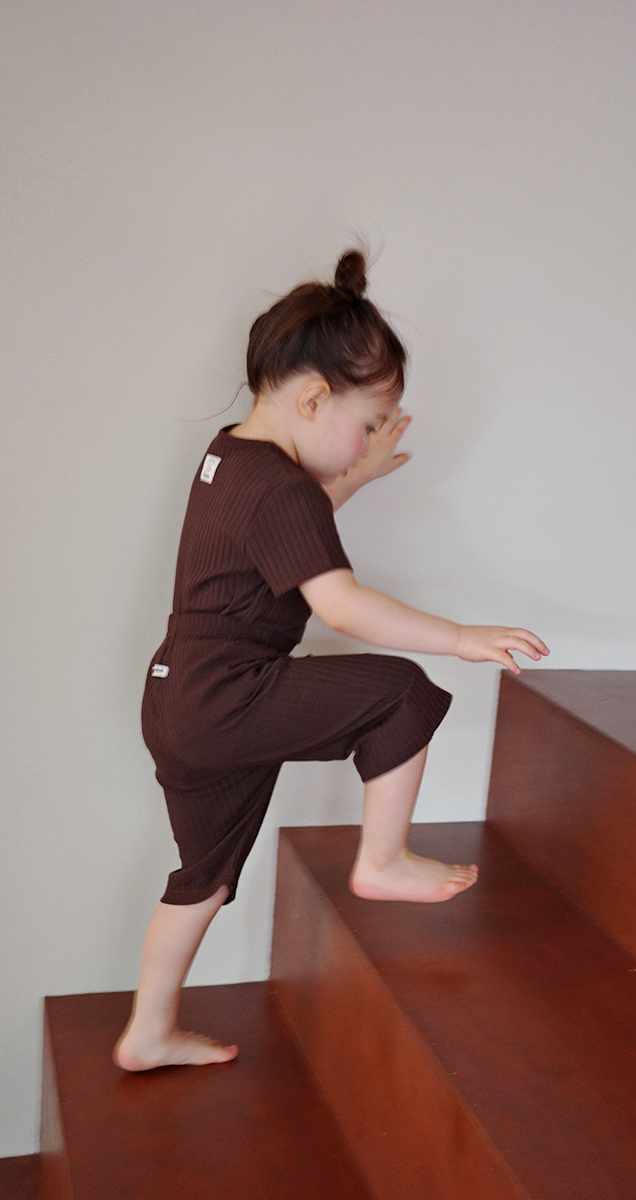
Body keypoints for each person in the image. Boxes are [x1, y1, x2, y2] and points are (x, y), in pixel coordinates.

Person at [113, 248, 549, 1072]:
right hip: (225, 696)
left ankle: (148, 1032)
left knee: (202, 879)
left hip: (177, 699)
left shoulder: (230, 457)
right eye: (367, 425)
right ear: (314, 399)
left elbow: (290, 528)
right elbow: (339, 602)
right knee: (401, 694)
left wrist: (358, 478)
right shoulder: (280, 487)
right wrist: (461, 637)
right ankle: (381, 860)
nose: (362, 446)